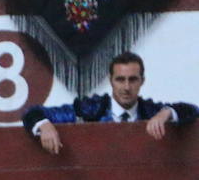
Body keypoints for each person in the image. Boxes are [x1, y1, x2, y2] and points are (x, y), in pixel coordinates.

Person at [21, 51, 197, 155]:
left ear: (142, 81)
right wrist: (44, 125)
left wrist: (166, 113)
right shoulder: (92, 109)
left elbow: (192, 110)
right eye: (120, 79)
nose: (127, 87)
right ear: (111, 81)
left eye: (132, 79)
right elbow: (31, 113)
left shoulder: (151, 111)